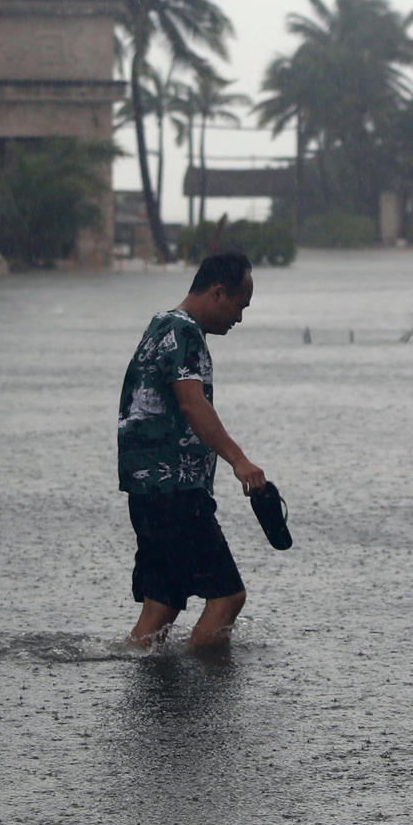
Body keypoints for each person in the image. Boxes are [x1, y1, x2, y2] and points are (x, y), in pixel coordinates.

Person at [117, 252, 266, 651]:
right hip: (176, 492)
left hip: (147, 491)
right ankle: (205, 702)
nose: (239, 318)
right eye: (240, 306)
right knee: (227, 597)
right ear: (219, 293)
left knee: (162, 606)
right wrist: (240, 461)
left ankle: (149, 689)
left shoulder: (160, 325)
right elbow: (192, 402)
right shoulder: (185, 333)